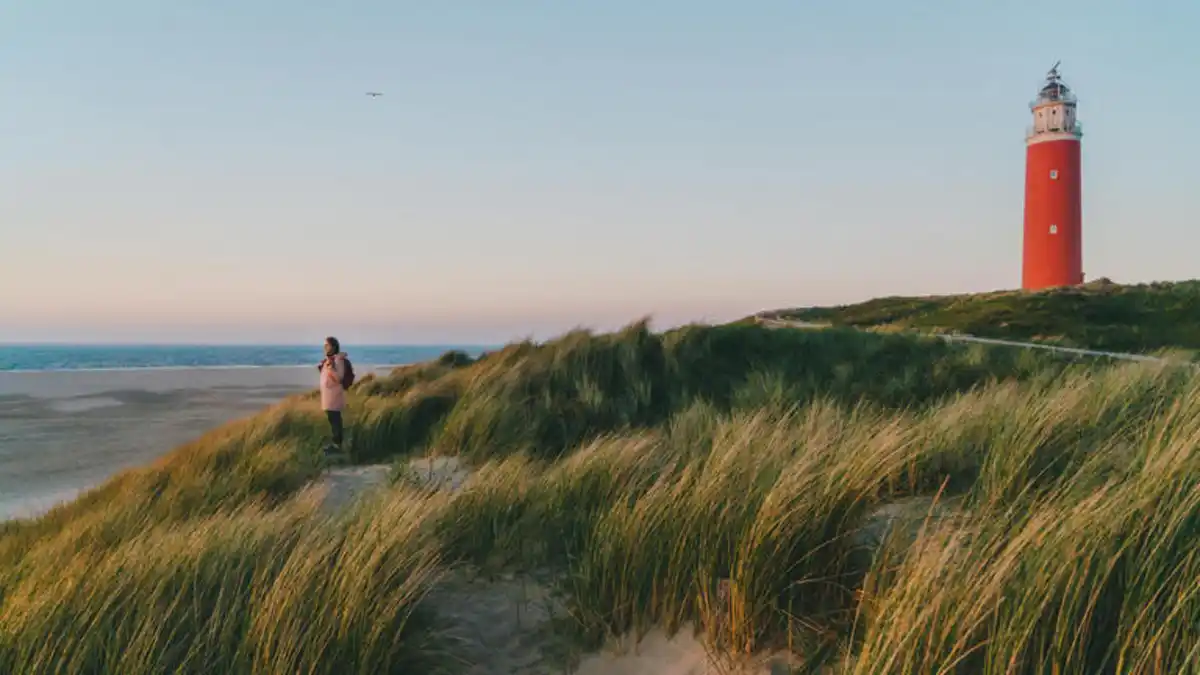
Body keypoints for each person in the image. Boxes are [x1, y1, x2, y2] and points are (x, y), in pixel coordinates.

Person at [318, 337, 348, 453]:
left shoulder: (338, 360)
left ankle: (337, 446)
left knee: (335, 420)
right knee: (332, 419)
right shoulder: (328, 360)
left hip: (334, 396)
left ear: (333, 347)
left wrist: (331, 368)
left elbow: (339, 378)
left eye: (327, 345)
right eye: (324, 345)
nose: (325, 348)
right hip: (327, 395)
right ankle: (336, 444)